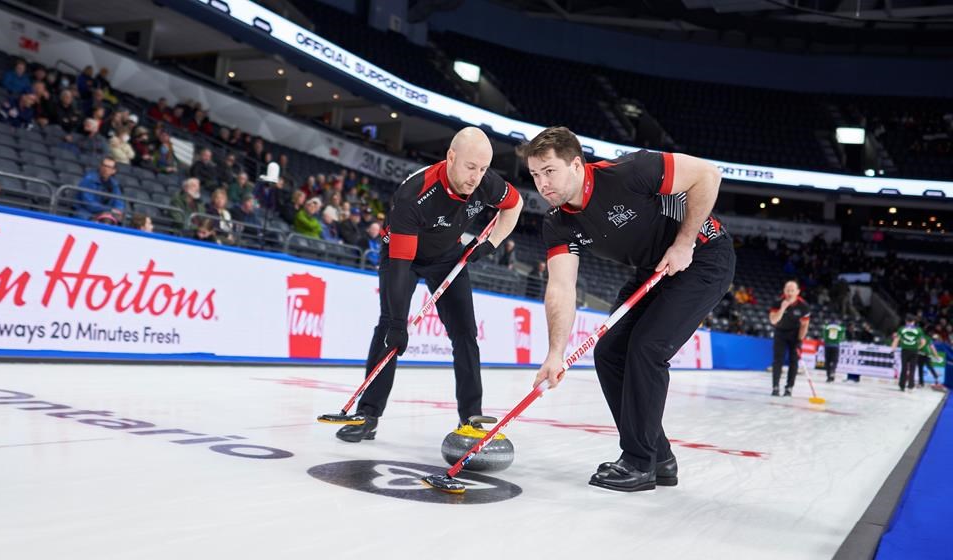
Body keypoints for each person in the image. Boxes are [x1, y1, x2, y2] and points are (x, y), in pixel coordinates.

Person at [521, 125, 732, 492]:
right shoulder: (558, 224)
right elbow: (561, 285)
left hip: (702, 256)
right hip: (651, 269)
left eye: (550, 171)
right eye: (536, 175)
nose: (543, 184)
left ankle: (638, 463)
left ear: (576, 164)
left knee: (648, 347)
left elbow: (708, 175)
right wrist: (555, 353)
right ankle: (658, 457)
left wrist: (684, 244)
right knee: (609, 353)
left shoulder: (630, 172)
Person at [336, 126, 523, 443]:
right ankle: (367, 415)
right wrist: (399, 323)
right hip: (402, 256)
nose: (476, 177)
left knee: (465, 333)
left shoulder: (486, 183)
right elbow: (401, 265)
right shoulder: (415, 194)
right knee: (388, 331)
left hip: (448, 256)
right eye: (470, 167)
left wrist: (490, 244)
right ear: (451, 157)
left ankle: (471, 418)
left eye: (483, 169)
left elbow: (513, 205)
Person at [769, 280, 811, 397]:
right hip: (780, 332)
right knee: (778, 360)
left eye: (792, 290)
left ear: (797, 292)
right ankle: (775, 387)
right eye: (787, 290)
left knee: (794, 361)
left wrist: (800, 340)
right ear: (784, 291)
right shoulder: (777, 302)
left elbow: (804, 325)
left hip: (795, 334)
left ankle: (789, 388)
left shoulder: (804, 306)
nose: (789, 293)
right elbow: (773, 321)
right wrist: (782, 308)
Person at [75, 157, 124, 222]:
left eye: (109, 167)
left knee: (120, 220)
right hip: (85, 212)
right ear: (100, 166)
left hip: (104, 213)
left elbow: (119, 202)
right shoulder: (89, 179)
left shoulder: (114, 184)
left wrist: (118, 210)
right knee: (105, 220)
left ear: (113, 171)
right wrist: (109, 210)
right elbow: (89, 205)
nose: (105, 169)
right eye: (104, 166)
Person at [891, 315, 925, 392]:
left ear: (906, 321)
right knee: (912, 369)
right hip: (914, 351)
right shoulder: (919, 330)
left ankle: (902, 386)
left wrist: (892, 350)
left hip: (905, 351)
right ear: (914, 321)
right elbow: (923, 342)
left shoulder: (901, 329)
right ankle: (910, 386)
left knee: (904, 368)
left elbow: (896, 340)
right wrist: (917, 347)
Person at [821, 317, 845, 383]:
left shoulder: (826, 327)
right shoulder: (841, 328)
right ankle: (833, 371)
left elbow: (823, 335)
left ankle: (829, 377)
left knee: (827, 361)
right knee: (835, 361)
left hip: (828, 345)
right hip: (835, 346)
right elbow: (843, 337)